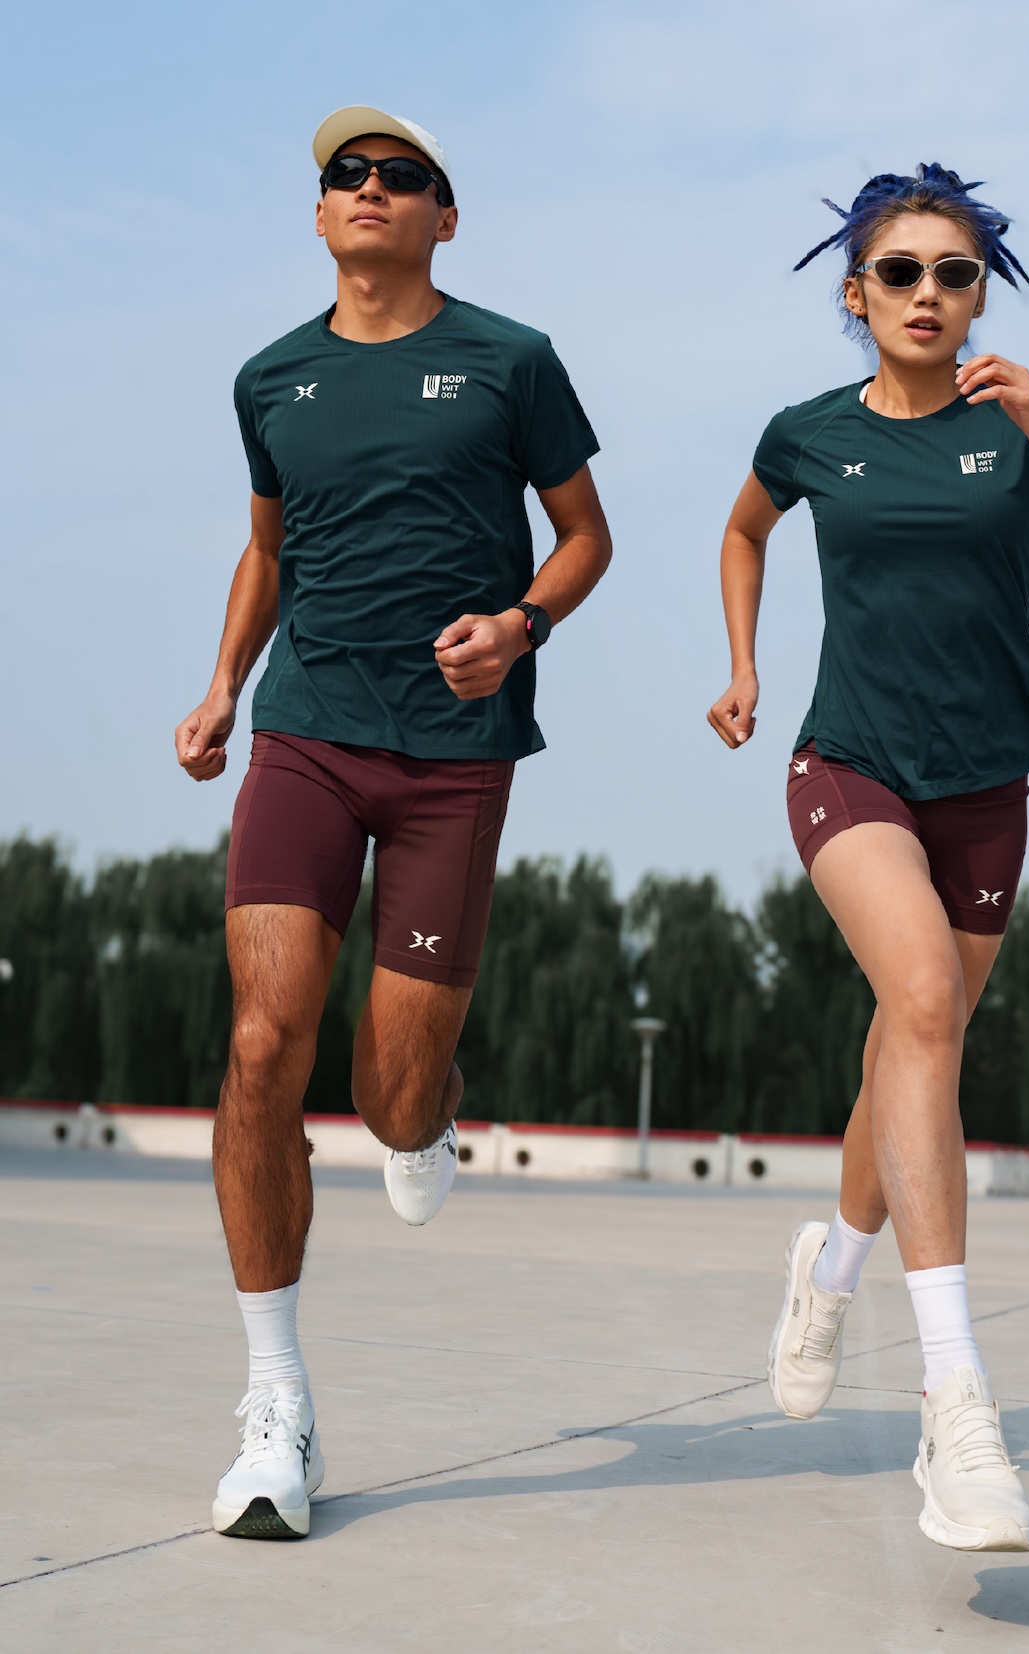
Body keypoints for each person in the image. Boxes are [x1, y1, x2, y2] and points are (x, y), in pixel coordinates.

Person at [707, 164, 1029, 1552]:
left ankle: (830, 1270)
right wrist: (744, 663)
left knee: (908, 1049)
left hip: (987, 789)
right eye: (901, 271)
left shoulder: (1028, 419)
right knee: (923, 1001)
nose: (928, 292)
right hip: (848, 763)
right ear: (856, 294)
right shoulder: (809, 432)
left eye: (956, 271)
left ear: (982, 294)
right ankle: (957, 1402)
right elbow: (744, 528)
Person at [174, 105, 611, 1540]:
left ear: (444, 215)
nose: (368, 189)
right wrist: (223, 686)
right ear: (319, 216)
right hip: (305, 734)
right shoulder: (271, 378)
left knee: (390, 1093)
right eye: (344, 177)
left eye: (399, 176)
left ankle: (427, 1116)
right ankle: (275, 1401)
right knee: (262, 1042)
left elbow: (587, 535)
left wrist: (522, 625)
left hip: (453, 759)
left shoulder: (511, 361)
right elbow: (267, 551)